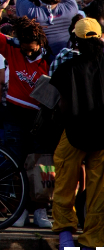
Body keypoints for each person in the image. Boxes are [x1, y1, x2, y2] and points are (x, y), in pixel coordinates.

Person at [0, 0, 53, 229]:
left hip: (40, 118)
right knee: (15, 163)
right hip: (14, 115)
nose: (26, 51)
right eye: (23, 47)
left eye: (30, 48)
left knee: (42, 164)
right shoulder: (13, 47)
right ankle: (20, 208)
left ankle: (41, 209)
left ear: (39, 42)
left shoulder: (50, 57)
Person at [50, 18, 104, 249]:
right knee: (98, 191)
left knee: (64, 184)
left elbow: (59, 104)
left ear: (77, 40)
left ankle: (65, 235)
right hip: (102, 136)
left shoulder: (66, 68)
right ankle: (92, 240)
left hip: (73, 133)